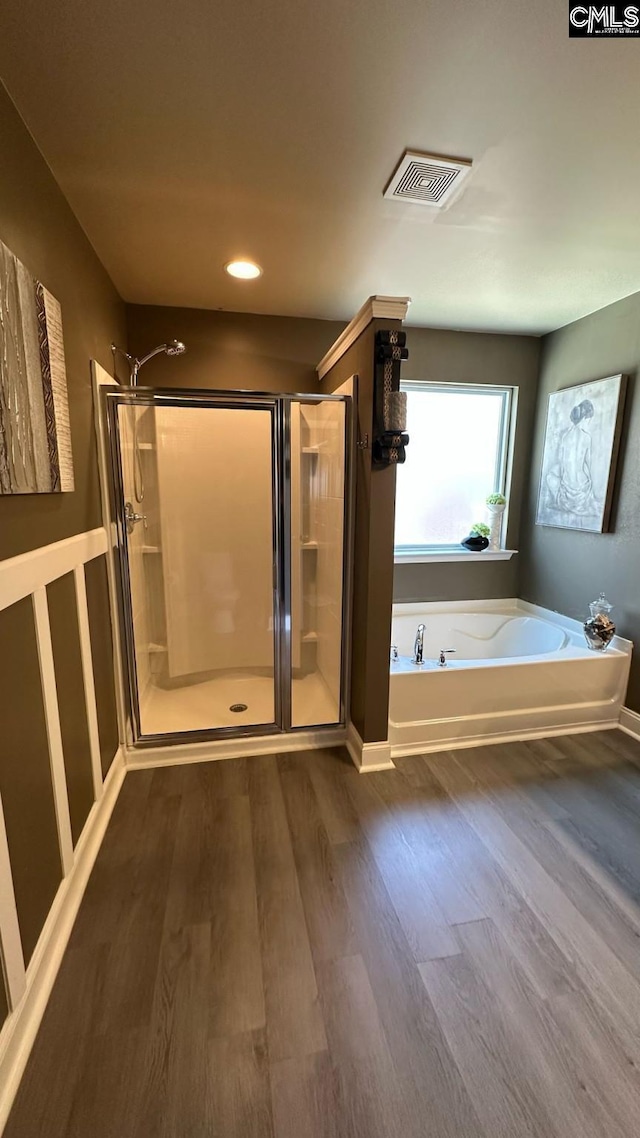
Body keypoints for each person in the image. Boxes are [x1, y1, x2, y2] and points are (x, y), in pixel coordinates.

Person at [546, 399, 597, 515]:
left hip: (566, 489)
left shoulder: (565, 437)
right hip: (582, 488)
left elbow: (563, 464)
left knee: (550, 477)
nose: (589, 423)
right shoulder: (587, 438)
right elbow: (589, 464)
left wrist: (565, 480)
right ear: (585, 418)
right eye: (589, 419)